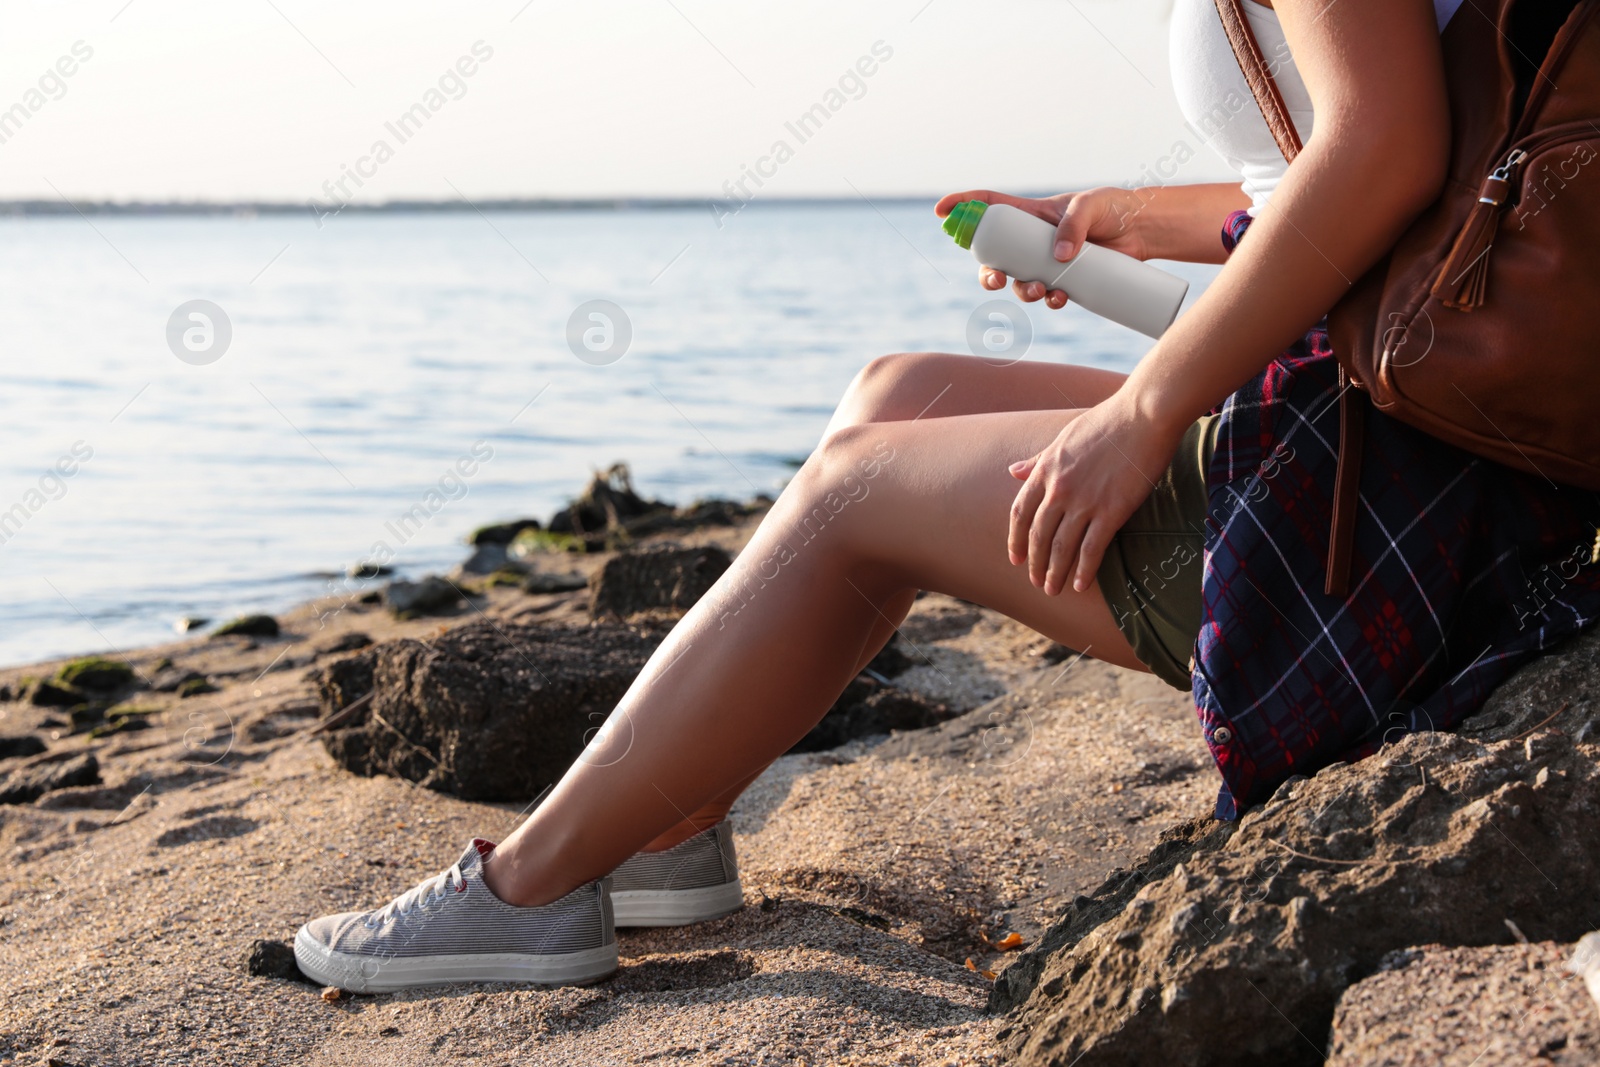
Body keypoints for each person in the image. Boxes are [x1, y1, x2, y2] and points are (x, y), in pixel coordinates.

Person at [293, 0, 1600, 990]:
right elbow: (1398, 172)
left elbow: (1388, 150)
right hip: (1405, 418)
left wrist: (1143, 417)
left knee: (856, 501)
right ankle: (665, 835)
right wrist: (1124, 219)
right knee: (894, 395)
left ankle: (528, 893)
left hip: (1410, 497)